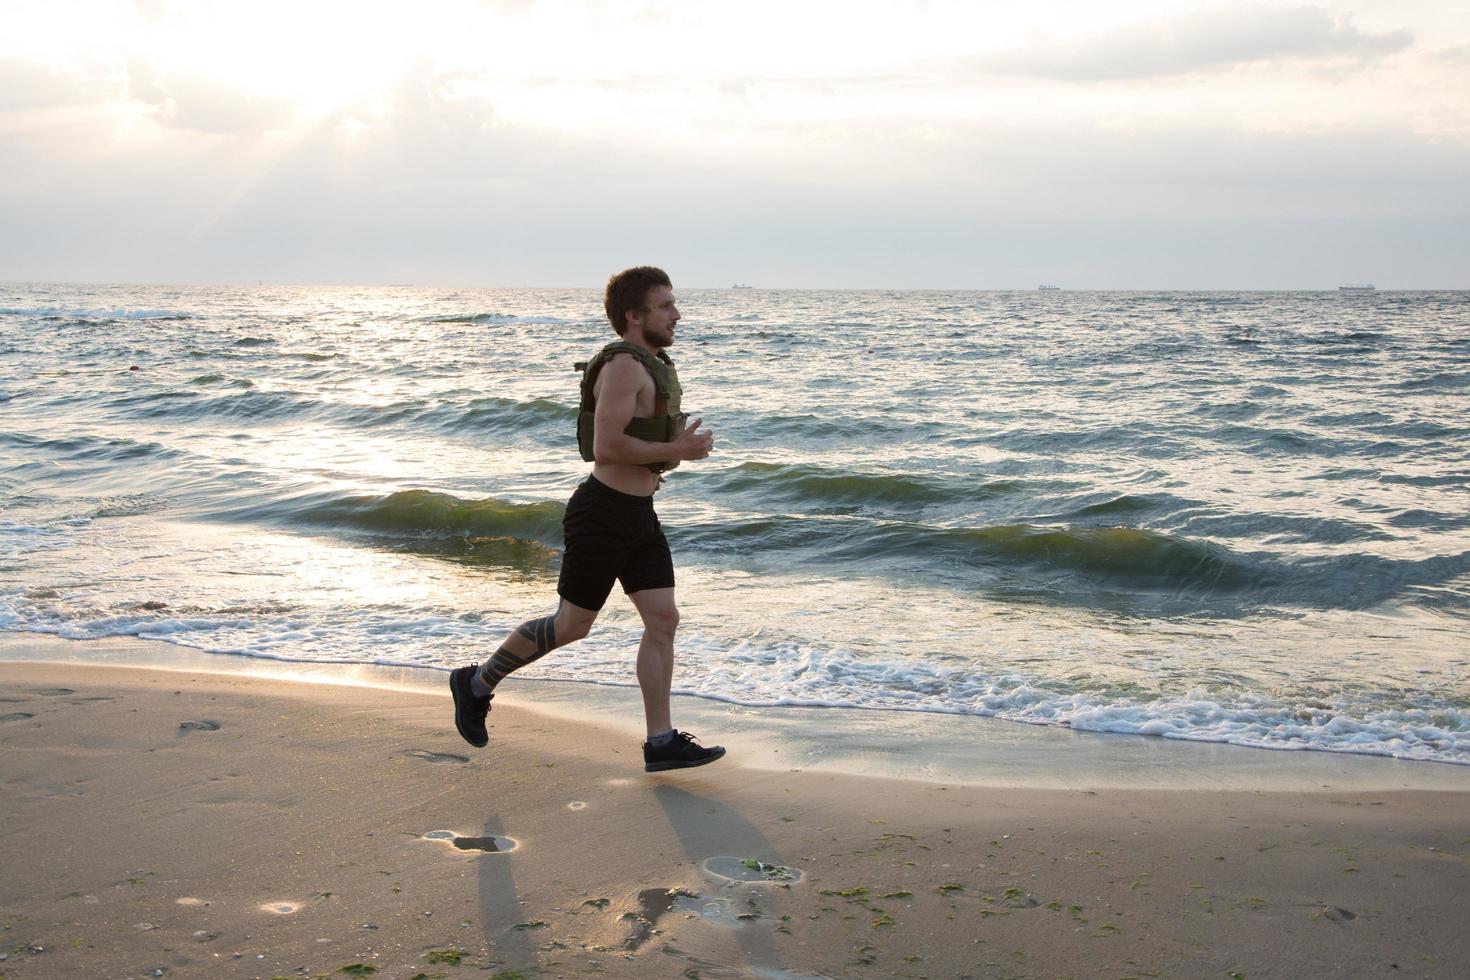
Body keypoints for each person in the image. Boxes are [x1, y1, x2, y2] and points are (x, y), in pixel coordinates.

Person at [449, 266, 726, 772]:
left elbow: (635, 442)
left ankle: (660, 742)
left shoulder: (651, 363)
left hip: (639, 514)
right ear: (634, 316)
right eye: (665, 305)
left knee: (663, 620)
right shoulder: (623, 367)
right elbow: (606, 445)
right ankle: (475, 683)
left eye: (673, 304)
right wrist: (678, 450)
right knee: (573, 626)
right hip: (601, 514)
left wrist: (661, 463)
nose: (677, 314)